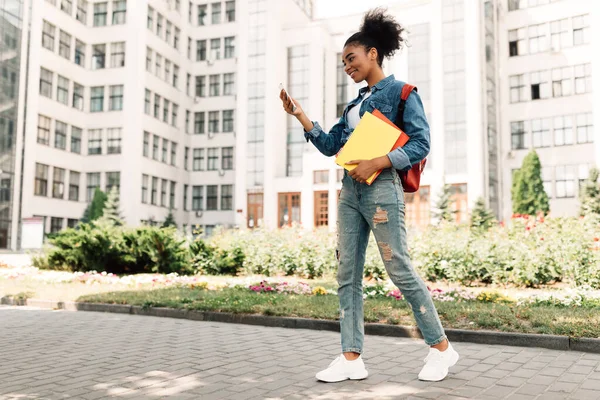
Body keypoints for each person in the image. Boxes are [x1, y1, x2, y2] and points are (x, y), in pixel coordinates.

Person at [279, 8, 459, 383]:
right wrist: (300, 116)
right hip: (349, 192)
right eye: (344, 61)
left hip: (381, 189)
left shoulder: (402, 92)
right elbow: (331, 146)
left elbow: (421, 142)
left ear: (373, 53)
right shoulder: (354, 106)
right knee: (347, 272)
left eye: (351, 58)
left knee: (398, 268)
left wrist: (377, 160)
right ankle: (350, 358)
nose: (347, 66)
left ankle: (441, 349)